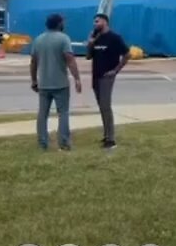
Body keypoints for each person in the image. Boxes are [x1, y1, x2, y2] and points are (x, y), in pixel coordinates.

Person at [30, 13, 82, 151]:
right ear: (59, 24)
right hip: (61, 84)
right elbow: (70, 60)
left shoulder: (38, 40)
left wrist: (34, 80)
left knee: (42, 114)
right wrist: (77, 78)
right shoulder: (64, 39)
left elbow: (33, 62)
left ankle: (42, 143)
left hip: (44, 84)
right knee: (63, 113)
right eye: (63, 22)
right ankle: (64, 143)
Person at [87, 13, 130, 151]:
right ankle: (106, 135)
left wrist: (116, 70)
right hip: (96, 76)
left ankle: (111, 140)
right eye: (94, 22)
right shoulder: (96, 38)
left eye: (97, 21)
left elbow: (127, 54)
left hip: (107, 76)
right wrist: (90, 43)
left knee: (106, 106)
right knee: (101, 107)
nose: (95, 24)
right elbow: (88, 56)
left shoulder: (114, 38)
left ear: (105, 22)